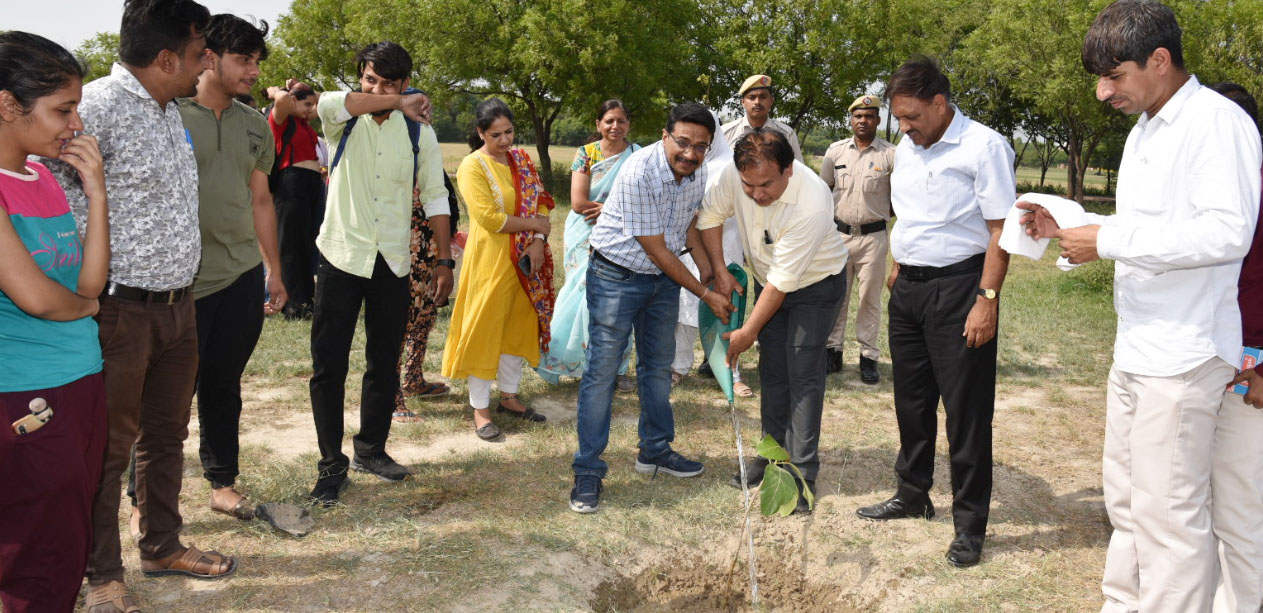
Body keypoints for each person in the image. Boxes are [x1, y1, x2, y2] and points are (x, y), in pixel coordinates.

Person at [1020, 3, 1262, 608]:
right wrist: (1078, 229)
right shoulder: (1146, 131)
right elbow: (1149, 228)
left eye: (1115, 75)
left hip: (1182, 354)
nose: (1103, 92)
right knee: (1127, 506)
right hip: (1137, 347)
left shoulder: (1217, 122)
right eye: (1098, 78)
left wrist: (1110, 239)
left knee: (1169, 521)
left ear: (1160, 60)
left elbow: (1226, 233)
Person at [48, 2, 243, 610]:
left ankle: (161, 544)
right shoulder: (94, 109)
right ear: (166, 58)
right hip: (117, 311)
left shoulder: (168, 110)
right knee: (107, 446)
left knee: (165, 435)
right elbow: (56, 208)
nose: (206, 61)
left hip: (178, 306)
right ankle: (101, 572)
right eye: (199, 51)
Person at [854, 56, 1015, 569]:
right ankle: (912, 493)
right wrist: (901, 263)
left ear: (940, 104)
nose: (903, 128)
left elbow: (999, 232)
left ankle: (969, 526)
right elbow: (916, 215)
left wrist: (986, 301)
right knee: (912, 400)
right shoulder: (909, 146)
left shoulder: (983, 147)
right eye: (898, 120)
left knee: (966, 413)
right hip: (909, 287)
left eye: (911, 117)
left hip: (961, 289)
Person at [569, 102, 732, 514]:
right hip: (616, 277)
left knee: (657, 368)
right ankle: (588, 470)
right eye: (683, 142)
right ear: (665, 136)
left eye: (701, 146)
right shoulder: (639, 170)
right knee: (603, 372)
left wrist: (715, 270)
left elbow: (688, 227)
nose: (690, 154)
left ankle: (655, 451)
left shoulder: (698, 173)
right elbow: (657, 248)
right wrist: (702, 291)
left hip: (661, 282)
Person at [307, 41, 447, 505]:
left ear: (406, 83)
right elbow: (334, 100)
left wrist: (444, 261)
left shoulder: (418, 133)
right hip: (342, 257)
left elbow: (435, 196)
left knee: (382, 361)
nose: (378, 89)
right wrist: (397, 101)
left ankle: (372, 449)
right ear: (360, 80)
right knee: (329, 365)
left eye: (390, 83)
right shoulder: (338, 115)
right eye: (370, 81)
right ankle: (331, 463)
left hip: (393, 261)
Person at [0, 31, 109, 613]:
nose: (74, 124)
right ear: (5, 105)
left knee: (65, 538)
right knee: (34, 554)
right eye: (62, 109)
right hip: (24, 394)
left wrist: (96, 192)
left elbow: (89, 282)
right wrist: (88, 310)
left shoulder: (41, 176)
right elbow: (39, 297)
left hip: (78, 381)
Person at [699, 129, 848, 514]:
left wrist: (748, 331)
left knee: (802, 373)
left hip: (816, 285)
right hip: (771, 283)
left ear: (789, 169)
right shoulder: (737, 174)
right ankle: (770, 456)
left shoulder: (813, 201)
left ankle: (802, 474)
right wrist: (719, 270)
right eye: (749, 185)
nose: (757, 194)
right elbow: (710, 216)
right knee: (774, 371)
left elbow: (785, 281)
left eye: (766, 184)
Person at [176, 14, 285, 521]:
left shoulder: (255, 124)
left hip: (241, 276)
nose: (254, 71)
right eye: (244, 59)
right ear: (209, 57)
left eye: (258, 61)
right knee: (166, 396)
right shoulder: (167, 115)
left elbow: (260, 200)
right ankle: (143, 500)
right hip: (178, 283)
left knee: (224, 384)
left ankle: (223, 484)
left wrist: (274, 271)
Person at [442, 98, 555, 441]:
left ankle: (509, 397)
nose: (505, 140)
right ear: (480, 133)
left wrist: (536, 238)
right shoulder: (472, 166)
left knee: (517, 329)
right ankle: (480, 409)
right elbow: (490, 219)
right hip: (490, 263)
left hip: (525, 262)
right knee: (485, 331)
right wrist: (534, 223)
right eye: (496, 134)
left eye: (509, 132)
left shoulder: (521, 160)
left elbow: (540, 200)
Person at [537, 99, 639, 390]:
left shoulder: (637, 156)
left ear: (628, 124)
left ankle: (616, 370)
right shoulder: (586, 154)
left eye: (621, 121)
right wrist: (613, 209)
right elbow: (579, 203)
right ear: (598, 125)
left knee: (619, 300)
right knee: (580, 295)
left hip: (623, 236)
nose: (615, 126)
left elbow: (642, 200)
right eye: (609, 121)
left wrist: (609, 211)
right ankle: (568, 360)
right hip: (585, 234)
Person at [1209, 80, 1263, 613]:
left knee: (1239, 507)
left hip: (1251, 373)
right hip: (1204, 364)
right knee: (1194, 505)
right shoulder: (1213, 193)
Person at [673, 109, 750, 397]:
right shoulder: (685, 163)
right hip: (689, 248)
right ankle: (679, 366)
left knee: (725, 309)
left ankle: (731, 372)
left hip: (724, 247)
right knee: (684, 311)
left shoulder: (732, 165)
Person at [819, 95, 896, 383]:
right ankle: (832, 351)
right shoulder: (836, 152)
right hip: (838, 235)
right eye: (858, 116)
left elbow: (898, 198)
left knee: (869, 299)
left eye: (869, 116)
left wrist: (877, 215)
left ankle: (868, 356)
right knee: (836, 295)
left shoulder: (890, 155)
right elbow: (823, 190)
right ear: (851, 120)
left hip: (873, 238)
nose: (863, 121)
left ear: (878, 120)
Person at [391, 167, 457, 422]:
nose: (427, 123)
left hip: (430, 250)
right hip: (406, 249)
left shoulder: (426, 149)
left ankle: (413, 379)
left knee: (426, 315)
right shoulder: (394, 149)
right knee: (402, 321)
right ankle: (392, 395)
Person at [265, 78, 322, 319]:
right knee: (290, 245)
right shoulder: (281, 120)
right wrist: (276, 91)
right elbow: (280, 100)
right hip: (291, 182)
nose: (311, 109)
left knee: (307, 244)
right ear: (292, 101)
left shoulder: (304, 124)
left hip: (310, 184)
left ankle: (306, 301)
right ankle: (294, 306)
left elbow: (323, 101)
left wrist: (302, 85)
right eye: (305, 104)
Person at [721, 74, 804, 163]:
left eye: (763, 97)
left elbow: (798, 170)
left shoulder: (787, 134)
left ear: (771, 101)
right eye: (752, 97)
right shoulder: (725, 133)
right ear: (743, 102)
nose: (757, 102)